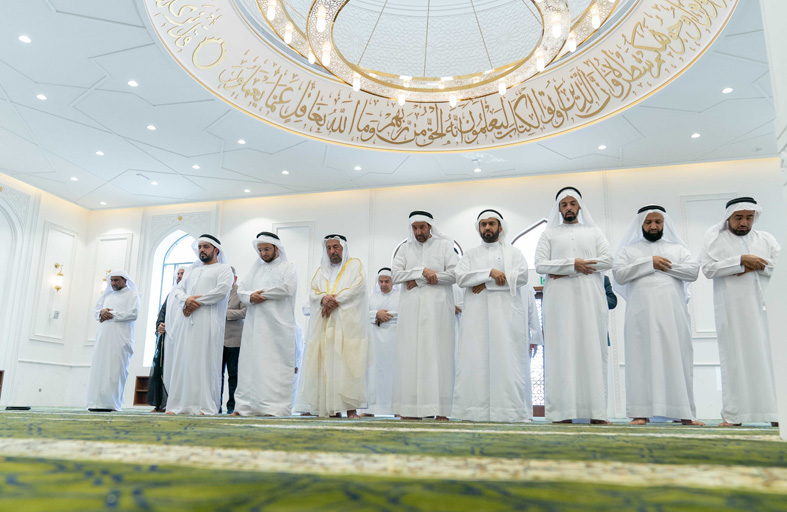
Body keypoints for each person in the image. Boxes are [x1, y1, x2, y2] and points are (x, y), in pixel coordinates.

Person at [613, 205, 703, 426]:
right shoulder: (628, 251)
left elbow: (692, 272)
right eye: (648, 222)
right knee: (640, 359)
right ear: (641, 224)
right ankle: (640, 412)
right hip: (640, 315)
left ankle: (684, 413)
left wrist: (662, 266)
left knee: (677, 358)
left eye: (658, 222)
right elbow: (619, 275)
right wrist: (649, 263)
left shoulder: (678, 249)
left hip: (673, 314)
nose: (653, 226)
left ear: (664, 224)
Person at [535, 187, 612, 424]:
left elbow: (608, 260)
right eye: (564, 204)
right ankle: (562, 413)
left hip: (590, 300)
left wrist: (564, 269)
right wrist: (572, 265)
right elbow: (540, 265)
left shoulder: (594, 232)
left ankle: (596, 413)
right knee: (561, 351)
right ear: (559, 208)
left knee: (592, 350)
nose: (568, 208)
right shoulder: (549, 235)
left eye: (572, 204)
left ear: (579, 206)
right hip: (559, 303)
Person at [701, 197, 781, 427]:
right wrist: (740, 261)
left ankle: (776, 414)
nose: (744, 222)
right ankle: (734, 416)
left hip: (766, 310)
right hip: (732, 311)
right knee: (735, 360)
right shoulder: (716, 239)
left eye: (749, 217)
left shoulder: (766, 239)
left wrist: (755, 265)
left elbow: (780, 265)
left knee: (772, 361)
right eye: (739, 218)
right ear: (729, 217)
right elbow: (708, 269)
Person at [454, 209, 531, 422]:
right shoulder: (470, 255)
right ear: (479, 228)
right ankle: (472, 411)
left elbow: (522, 277)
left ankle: (508, 411)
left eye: (491, 224)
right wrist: (490, 273)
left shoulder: (514, 253)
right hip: (476, 319)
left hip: (505, 318)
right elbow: (461, 278)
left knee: (506, 360)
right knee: (474, 360)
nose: (487, 228)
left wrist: (484, 283)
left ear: (500, 227)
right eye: (483, 224)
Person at [392, 211, 458, 420]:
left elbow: (455, 275)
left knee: (438, 355)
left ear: (430, 226)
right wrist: (421, 271)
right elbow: (395, 275)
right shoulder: (405, 249)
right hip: (411, 311)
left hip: (438, 312)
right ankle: (410, 409)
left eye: (422, 227)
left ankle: (441, 409)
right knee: (411, 356)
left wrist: (419, 280)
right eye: (415, 228)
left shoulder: (445, 246)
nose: (418, 232)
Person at [298, 234, 368, 418]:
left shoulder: (355, 265)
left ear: (343, 248)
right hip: (324, 326)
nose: (332, 251)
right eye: (328, 248)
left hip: (347, 327)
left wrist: (335, 301)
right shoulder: (321, 271)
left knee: (349, 366)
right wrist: (323, 299)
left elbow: (358, 288)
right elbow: (313, 292)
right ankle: (329, 409)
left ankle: (351, 409)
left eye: (336, 247)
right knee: (324, 365)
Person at [165, 234, 234, 415]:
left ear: (216, 250)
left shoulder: (224, 268)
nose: (201, 250)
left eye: (206, 247)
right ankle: (179, 405)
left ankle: (205, 406)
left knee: (204, 362)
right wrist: (186, 299)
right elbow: (178, 290)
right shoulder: (191, 270)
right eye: (200, 247)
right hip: (186, 322)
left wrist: (195, 302)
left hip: (208, 322)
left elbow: (221, 292)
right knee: (184, 361)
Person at [233, 232, 298, 417]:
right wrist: (250, 296)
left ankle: (273, 408)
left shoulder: (288, 268)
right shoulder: (254, 270)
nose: (263, 253)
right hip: (254, 327)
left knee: (274, 367)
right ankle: (244, 407)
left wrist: (259, 295)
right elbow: (241, 291)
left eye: (267, 249)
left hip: (277, 327)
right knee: (249, 366)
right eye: (260, 250)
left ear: (276, 248)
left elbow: (286, 289)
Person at [86, 270, 140, 412]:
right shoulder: (106, 295)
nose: (113, 283)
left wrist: (112, 314)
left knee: (116, 370)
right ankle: (95, 402)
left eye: (116, 280)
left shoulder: (132, 295)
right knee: (100, 368)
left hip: (121, 339)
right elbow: (96, 311)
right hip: (103, 338)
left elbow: (133, 314)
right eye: (112, 280)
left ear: (125, 280)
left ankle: (112, 403)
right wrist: (101, 312)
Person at [362, 267, 400, 417]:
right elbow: (361, 314)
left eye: (387, 281)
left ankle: (396, 408)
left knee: (394, 374)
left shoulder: (400, 296)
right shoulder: (371, 297)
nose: (383, 284)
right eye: (381, 281)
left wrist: (387, 315)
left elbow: (405, 314)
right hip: (375, 342)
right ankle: (371, 409)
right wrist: (376, 314)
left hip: (394, 342)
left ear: (393, 282)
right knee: (374, 373)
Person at [148, 267, 185, 412]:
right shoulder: (171, 294)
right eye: (178, 274)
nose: (179, 276)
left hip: (183, 339)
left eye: (183, 274)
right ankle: (163, 404)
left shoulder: (189, 294)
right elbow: (162, 314)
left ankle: (180, 403)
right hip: (168, 340)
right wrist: (160, 325)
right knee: (165, 370)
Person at [220, 266, 247, 414]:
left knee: (234, 375)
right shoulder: (218, 290)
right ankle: (215, 405)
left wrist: (224, 313)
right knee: (217, 375)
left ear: (235, 278)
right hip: (218, 340)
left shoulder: (240, 291)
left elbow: (245, 312)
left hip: (235, 340)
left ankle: (232, 406)